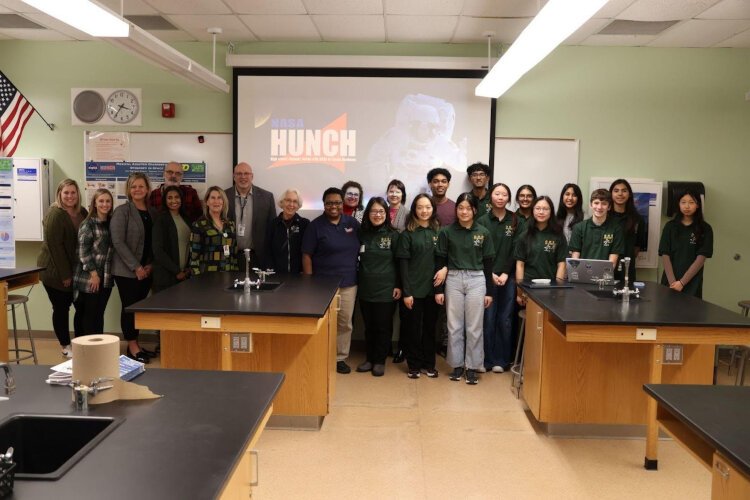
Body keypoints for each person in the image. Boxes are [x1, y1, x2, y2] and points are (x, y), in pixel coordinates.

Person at [435, 193, 495, 385]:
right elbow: (440, 260)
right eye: (460, 207)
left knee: (474, 326)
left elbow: (488, 263)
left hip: (477, 279)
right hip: (453, 278)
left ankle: (472, 366)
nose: (464, 211)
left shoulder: (483, 232)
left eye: (468, 208)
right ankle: (457, 365)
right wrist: (438, 289)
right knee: (454, 325)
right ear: (456, 210)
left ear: (474, 210)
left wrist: (489, 292)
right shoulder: (446, 232)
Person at [302, 187, 361, 374]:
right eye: (329, 203)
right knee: (323, 323)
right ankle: (321, 354)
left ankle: (340, 358)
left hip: (348, 282)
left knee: (344, 323)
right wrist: (309, 282)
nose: (333, 206)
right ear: (324, 204)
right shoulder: (315, 226)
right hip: (321, 284)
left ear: (342, 203)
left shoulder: (352, 223)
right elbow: (306, 255)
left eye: (337, 202)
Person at [37, 179, 88, 357]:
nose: (70, 196)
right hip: (54, 271)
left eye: (73, 192)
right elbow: (55, 247)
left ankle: (80, 343)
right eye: (66, 192)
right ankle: (65, 346)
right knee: (61, 307)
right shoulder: (55, 214)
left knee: (81, 306)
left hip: (75, 269)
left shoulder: (82, 211)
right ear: (60, 193)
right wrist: (65, 275)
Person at [111, 172, 157, 364]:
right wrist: (136, 267)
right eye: (133, 186)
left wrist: (150, 265)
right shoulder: (122, 211)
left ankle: (136, 343)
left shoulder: (153, 212)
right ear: (128, 190)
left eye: (141, 186)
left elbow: (155, 241)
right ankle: (131, 346)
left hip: (147, 270)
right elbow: (118, 242)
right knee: (129, 308)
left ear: (147, 189)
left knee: (139, 309)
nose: (137, 190)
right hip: (127, 271)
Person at [397, 194, 444, 379]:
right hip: (413, 291)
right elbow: (403, 265)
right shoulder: (407, 234)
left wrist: (440, 287)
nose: (424, 211)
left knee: (430, 329)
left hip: (433, 290)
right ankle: (414, 365)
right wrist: (407, 292)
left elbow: (443, 259)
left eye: (428, 207)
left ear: (433, 209)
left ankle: (429, 365)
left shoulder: (439, 232)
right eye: (420, 207)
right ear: (414, 209)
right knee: (412, 329)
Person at [355, 198, 401, 377]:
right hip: (366, 287)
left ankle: (380, 361)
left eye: (381, 211)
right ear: (368, 214)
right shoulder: (362, 233)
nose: (377, 215)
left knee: (383, 326)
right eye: (373, 211)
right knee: (369, 326)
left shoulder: (393, 235)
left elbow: (400, 262)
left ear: (386, 214)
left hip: (387, 288)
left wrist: (398, 285)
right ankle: (369, 359)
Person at [476, 183, 517, 373]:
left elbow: (517, 250)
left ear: (508, 198)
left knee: (505, 319)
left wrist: (505, 273)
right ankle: (486, 360)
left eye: (504, 194)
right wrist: (491, 273)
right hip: (487, 276)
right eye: (497, 194)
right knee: (488, 318)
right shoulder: (483, 221)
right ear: (491, 197)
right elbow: (479, 250)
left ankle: (502, 360)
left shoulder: (516, 220)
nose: (500, 197)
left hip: (508, 277)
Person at [72, 188, 114, 337]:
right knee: (88, 315)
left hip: (106, 277)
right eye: (101, 201)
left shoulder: (111, 223)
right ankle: (85, 350)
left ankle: (98, 347)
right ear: (95, 203)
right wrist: (94, 275)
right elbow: (84, 252)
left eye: (108, 201)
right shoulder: (88, 224)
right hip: (89, 277)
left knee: (98, 314)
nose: (105, 204)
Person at [659, 190, 713, 298]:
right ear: (678, 204)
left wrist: (682, 283)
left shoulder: (705, 228)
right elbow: (665, 254)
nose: (687, 206)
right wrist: (673, 283)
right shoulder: (670, 226)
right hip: (670, 282)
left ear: (698, 205)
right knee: (666, 313)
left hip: (692, 283)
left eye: (691, 202)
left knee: (690, 313)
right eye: (683, 202)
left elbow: (701, 258)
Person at [514, 196, 568, 304]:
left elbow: (561, 264)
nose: (541, 212)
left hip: (550, 286)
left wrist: (557, 288)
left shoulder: (558, 235)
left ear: (551, 212)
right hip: (529, 286)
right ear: (533, 210)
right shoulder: (524, 235)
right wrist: (519, 291)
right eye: (538, 208)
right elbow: (520, 265)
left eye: (545, 209)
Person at [225, 162, 276, 271]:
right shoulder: (223, 196)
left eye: (246, 173)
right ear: (234, 176)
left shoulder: (267, 197)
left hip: (257, 257)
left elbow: (272, 229)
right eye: (239, 174)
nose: (243, 177)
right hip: (230, 256)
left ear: (252, 176)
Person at [189, 186, 239, 275]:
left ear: (223, 202)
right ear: (207, 202)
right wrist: (196, 279)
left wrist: (234, 274)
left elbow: (234, 254)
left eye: (219, 198)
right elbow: (194, 257)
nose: (216, 201)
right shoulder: (199, 225)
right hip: (207, 277)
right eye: (213, 198)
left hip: (228, 274)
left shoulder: (230, 224)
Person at [152, 185, 191, 293]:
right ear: (165, 200)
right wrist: (177, 271)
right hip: (166, 278)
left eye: (177, 197)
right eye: (169, 198)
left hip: (184, 276)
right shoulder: (161, 220)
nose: (174, 200)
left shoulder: (187, 219)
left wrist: (187, 269)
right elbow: (158, 251)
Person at [386, 178, 408, 363]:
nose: (394, 194)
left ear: (403, 195)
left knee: (403, 312)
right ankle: (385, 346)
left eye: (397, 191)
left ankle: (402, 348)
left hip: (402, 265)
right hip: (385, 266)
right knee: (386, 310)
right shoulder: (380, 212)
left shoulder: (408, 214)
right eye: (391, 191)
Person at [569, 189, 623, 266]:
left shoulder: (616, 229)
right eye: (596, 203)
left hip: (605, 275)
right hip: (582, 275)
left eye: (604, 204)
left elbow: (613, 261)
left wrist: (604, 276)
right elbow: (575, 258)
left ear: (609, 207)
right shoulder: (579, 228)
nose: (599, 207)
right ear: (591, 205)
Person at [610, 179, 647, 283]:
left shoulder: (637, 219)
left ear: (629, 194)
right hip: (606, 269)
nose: (620, 194)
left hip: (627, 270)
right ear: (611, 194)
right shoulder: (605, 217)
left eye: (624, 191)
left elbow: (637, 248)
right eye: (616, 191)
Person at [266, 188, 309, 274]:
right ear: (282, 202)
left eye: (295, 201)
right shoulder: (273, 224)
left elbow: (307, 251)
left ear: (298, 205)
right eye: (288, 200)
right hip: (276, 275)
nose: (291, 204)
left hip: (298, 276)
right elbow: (267, 251)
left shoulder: (304, 224)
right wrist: (270, 271)